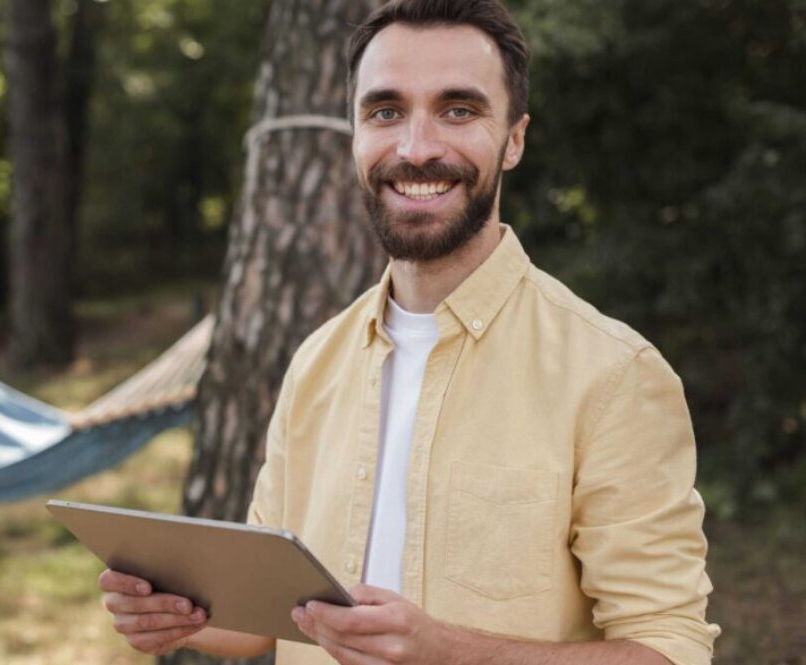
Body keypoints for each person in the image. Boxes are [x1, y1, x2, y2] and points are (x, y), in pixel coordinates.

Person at [98, 1, 720, 663]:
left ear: (514, 138)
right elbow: (270, 618)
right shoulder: (317, 361)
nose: (416, 147)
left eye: (458, 110)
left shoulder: (614, 374)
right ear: (355, 135)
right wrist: (178, 614)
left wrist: (447, 650)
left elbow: (669, 649)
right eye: (385, 111)